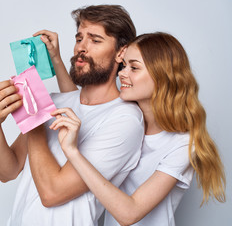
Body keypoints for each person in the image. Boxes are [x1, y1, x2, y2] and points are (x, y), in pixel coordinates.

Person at [0, 5, 145, 226]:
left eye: (95, 40)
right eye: (79, 39)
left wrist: (35, 118)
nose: (82, 48)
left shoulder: (125, 120)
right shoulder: (56, 101)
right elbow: (8, 171)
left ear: (121, 53)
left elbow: (52, 193)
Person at [48, 32, 226, 226]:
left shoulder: (183, 144)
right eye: (124, 65)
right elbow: (80, 102)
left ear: (162, 76)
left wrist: (73, 153)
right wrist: (56, 59)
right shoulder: (126, 122)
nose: (122, 73)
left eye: (134, 67)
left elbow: (130, 213)